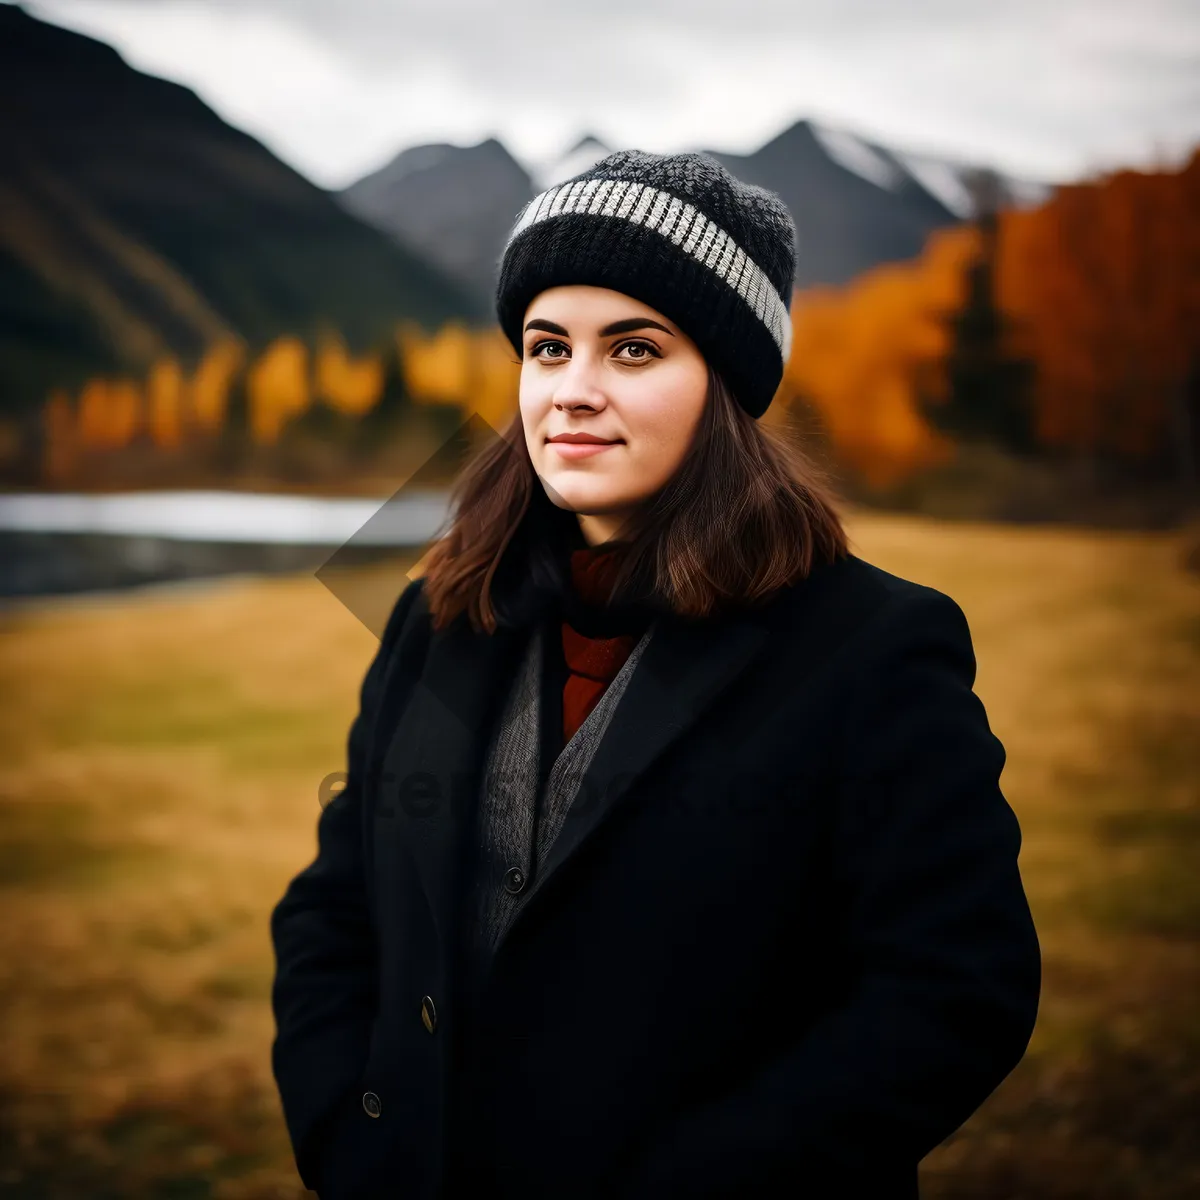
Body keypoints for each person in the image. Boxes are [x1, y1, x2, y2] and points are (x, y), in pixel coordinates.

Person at [270, 149, 1041, 1200]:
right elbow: (338, 903)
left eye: (634, 349)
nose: (573, 392)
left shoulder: (873, 645)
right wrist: (344, 1134)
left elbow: (955, 990)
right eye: (548, 347)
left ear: (723, 384)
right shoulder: (436, 615)